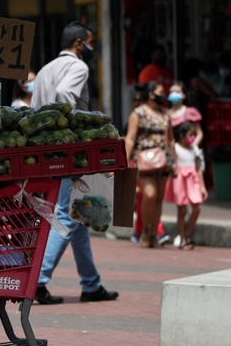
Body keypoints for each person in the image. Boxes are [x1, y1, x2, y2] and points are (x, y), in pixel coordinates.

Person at [32, 21, 118, 305]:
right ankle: (39, 281)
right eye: (90, 41)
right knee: (69, 215)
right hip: (71, 151)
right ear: (80, 43)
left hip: (47, 153)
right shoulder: (79, 67)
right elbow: (66, 96)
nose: (91, 47)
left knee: (78, 216)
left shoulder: (45, 70)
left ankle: (91, 284)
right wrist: (75, 131)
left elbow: (35, 111)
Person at [125, 81, 176, 248]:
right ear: (151, 94)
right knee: (149, 194)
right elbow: (130, 138)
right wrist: (123, 162)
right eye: (161, 91)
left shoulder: (165, 115)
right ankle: (145, 230)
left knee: (159, 199)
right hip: (144, 160)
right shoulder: (137, 113)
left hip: (163, 161)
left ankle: (154, 233)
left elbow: (171, 140)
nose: (164, 95)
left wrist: (174, 162)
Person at [163, 121, 207, 250]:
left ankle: (188, 233)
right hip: (180, 180)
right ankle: (183, 239)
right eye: (189, 135)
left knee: (197, 207)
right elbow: (169, 145)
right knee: (181, 211)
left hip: (193, 179)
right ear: (181, 136)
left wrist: (203, 186)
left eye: (193, 135)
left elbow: (198, 168)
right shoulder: (175, 148)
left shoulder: (194, 148)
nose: (192, 138)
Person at [168, 80, 204, 146]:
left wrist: (192, 148)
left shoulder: (191, 112)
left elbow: (199, 134)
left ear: (184, 95)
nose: (173, 94)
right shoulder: (165, 114)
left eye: (177, 92)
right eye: (171, 92)